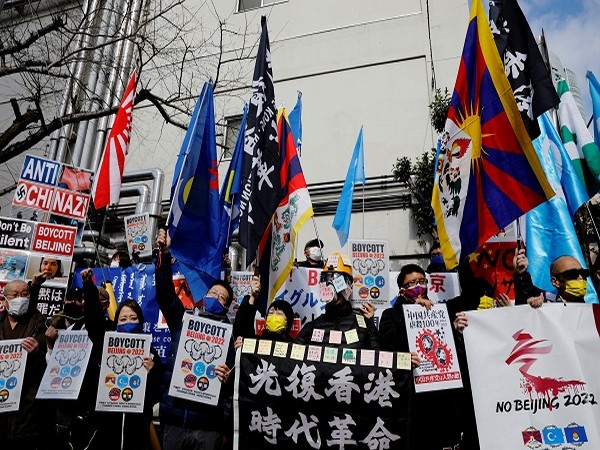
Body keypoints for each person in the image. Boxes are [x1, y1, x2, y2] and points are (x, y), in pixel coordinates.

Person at [155, 229, 235, 450]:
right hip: (174, 420)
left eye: (222, 297)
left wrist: (228, 376)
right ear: (204, 297)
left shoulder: (229, 337)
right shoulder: (183, 319)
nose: (216, 298)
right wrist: (163, 257)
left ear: (226, 307)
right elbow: (165, 295)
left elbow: (234, 380)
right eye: (213, 293)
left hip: (208, 425)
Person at [379, 264, 461, 450]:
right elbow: (387, 345)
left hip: (441, 402)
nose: (418, 286)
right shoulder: (390, 315)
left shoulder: (441, 312)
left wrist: (456, 331)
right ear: (401, 291)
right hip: (410, 402)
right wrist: (409, 311)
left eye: (422, 281)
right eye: (412, 283)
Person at [0, 279, 47, 450]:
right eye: (15, 295)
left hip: (27, 407)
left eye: (24, 294)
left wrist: (37, 353)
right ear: (5, 300)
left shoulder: (39, 324)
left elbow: (47, 366)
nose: (20, 298)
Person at [295, 252, 378, 348]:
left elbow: (377, 357)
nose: (333, 289)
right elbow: (293, 356)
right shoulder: (312, 327)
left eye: (338, 282)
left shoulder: (364, 327)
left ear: (349, 287)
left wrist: (371, 326)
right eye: (327, 281)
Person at [111, 299, 164, 450]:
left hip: (138, 430)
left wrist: (151, 374)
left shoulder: (151, 354)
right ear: (116, 323)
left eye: (133, 318)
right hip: (108, 428)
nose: (128, 322)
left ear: (140, 322)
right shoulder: (105, 350)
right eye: (123, 319)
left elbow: (156, 396)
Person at [233, 275, 295, 343]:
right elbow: (242, 328)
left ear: (288, 322)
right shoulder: (255, 343)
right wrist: (253, 297)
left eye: (279, 313)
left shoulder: (295, 347)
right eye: (271, 313)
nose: (274, 316)